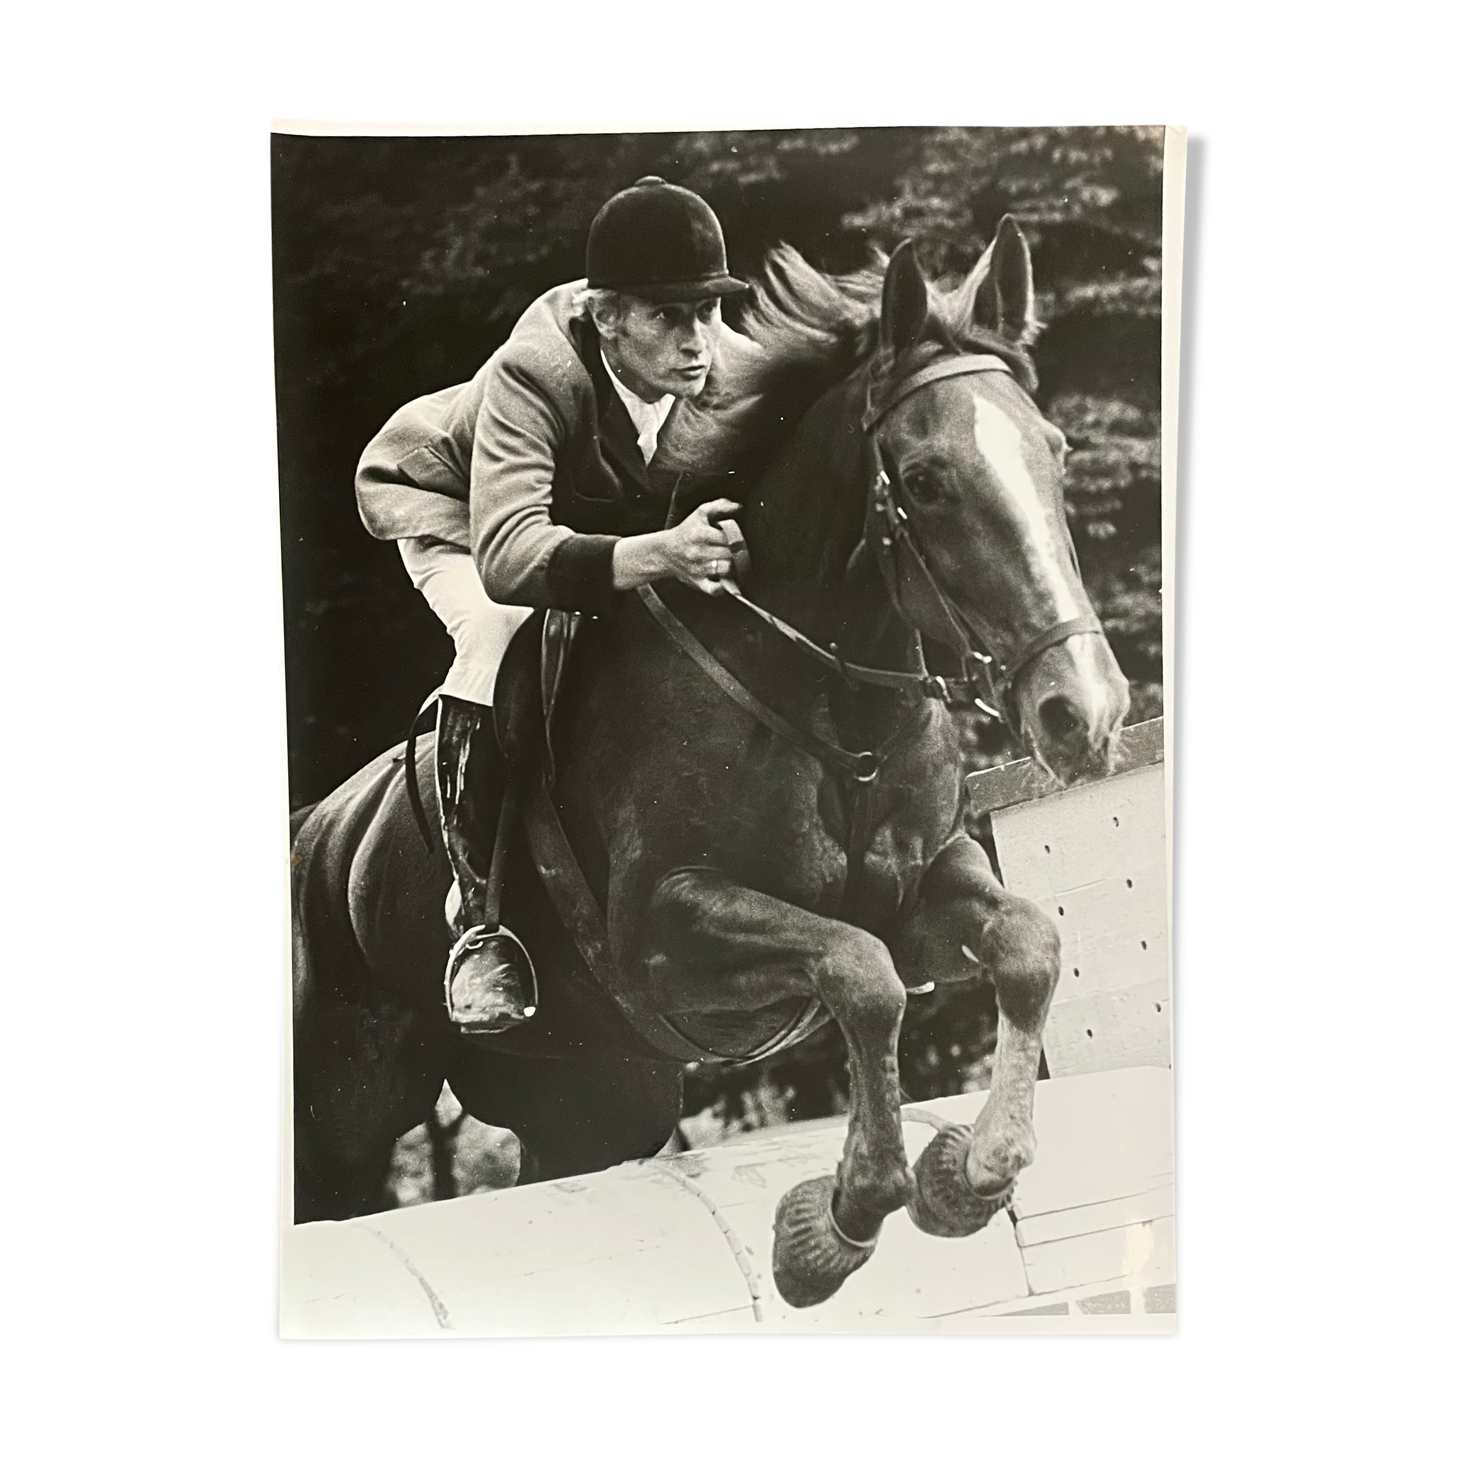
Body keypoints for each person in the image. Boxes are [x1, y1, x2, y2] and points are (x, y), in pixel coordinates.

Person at [355, 177, 756, 1032]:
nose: (697, 344)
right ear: (607, 315)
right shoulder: (530, 376)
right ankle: (478, 925)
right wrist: (664, 552)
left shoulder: (722, 363)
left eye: (709, 314)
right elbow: (508, 558)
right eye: (668, 318)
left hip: (576, 527)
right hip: (458, 515)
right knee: (502, 635)